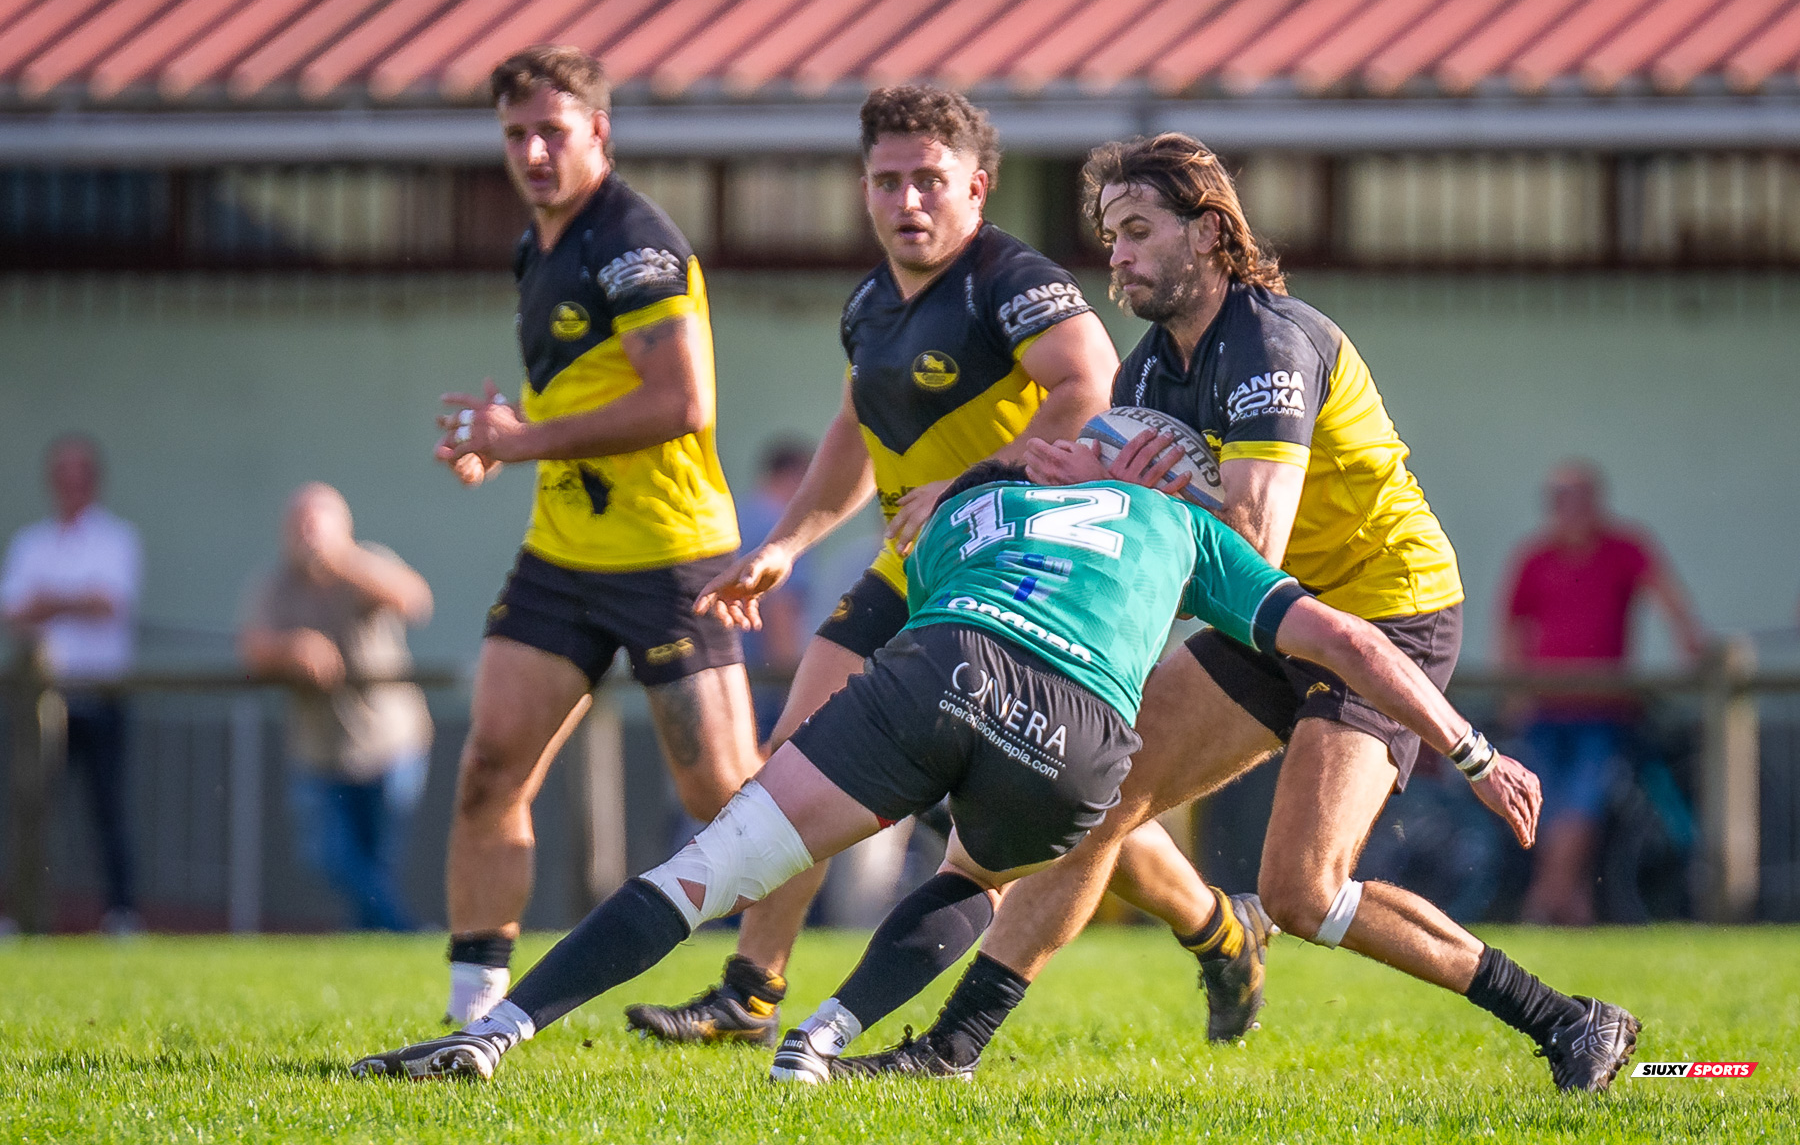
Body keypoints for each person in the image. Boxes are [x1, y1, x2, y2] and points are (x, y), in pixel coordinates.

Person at [842, 133, 1640, 1092]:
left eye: (1139, 231)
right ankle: (951, 1050)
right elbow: (1172, 554)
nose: (1118, 256)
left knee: (1303, 893)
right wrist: (1054, 493)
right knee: (1095, 799)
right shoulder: (1145, 378)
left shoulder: (1272, 344)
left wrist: (1158, 498)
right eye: (1111, 236)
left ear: (1209, 233)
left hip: (1387, 614)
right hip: (1274, 616)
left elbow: (1250, 541)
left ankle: (1569, 1020)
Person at [350, 459, 1540, 1083]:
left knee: (711, 866)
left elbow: (917, 589)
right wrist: (1471, 750)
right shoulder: (1191, 530)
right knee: (972, 875)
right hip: (1079, 731)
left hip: (941, 668)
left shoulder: (971, 507)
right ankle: (822, 1040)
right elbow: (1352, 643)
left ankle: (500, 1030)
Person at [623, 86, 1215, 1047]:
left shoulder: (1008, 281)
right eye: (887, 181)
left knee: (1030, 810)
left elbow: (1090, 381)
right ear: (863, 188)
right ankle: (749, 992)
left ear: (976, 188)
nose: (907, 201)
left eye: (929, 180)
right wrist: (784, 546)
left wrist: (978, 482)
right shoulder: (871, 305)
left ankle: (1214, 926)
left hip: (1006, 577)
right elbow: (854, 432)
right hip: (912, 572)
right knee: (798, 754)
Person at [431, 45, 760, 1022]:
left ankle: (762, 984)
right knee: (490, 769)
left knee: (732, 801)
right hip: (563, 558)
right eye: (515, 135)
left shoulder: (633, 242)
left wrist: (523, 439)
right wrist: (501, 445)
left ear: (599, 133)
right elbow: (583, 392)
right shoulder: (538, 245)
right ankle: (472, 1014)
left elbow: (681, 401)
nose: (533, 152)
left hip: (671, 558)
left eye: (552, 132)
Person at [1501, 459, 1705, 925]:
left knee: (1582, 804)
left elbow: (1667, 595)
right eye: (1560, 501)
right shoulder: (1535, 558)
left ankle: (1541, 902)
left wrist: (1688, 641)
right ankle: (1574, 906)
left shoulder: (1624, 549)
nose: (1569, 510)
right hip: (1545, 708)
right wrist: (1513, 692)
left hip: (1603, 709)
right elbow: (1512, 625)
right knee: (1545, 805)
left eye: (1578, 500)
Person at [239, 484, 435, 931]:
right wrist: (292, 649)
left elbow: (415, 601)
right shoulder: (276, 585)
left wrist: (344, 560)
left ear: (343, 526)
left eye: (316, 523)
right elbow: (251, 648)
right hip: (318, 753)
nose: (307, 535)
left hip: (390, 744)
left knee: (378, 863)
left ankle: (376, 939)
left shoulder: (368, 563)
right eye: (298, 524)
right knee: (329, 857)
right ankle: (403, 932)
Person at [2, 434, 143, 933]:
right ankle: (22, 914)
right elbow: (12, 611)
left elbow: (109, 602)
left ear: (94, 481)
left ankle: (121, 914)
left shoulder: (117, 539)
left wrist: (48, 602)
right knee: (31, 808)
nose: (71, 484)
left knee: (108, 809)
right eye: (63, 474)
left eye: (80, 474)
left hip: (101, 698)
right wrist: (70, 601)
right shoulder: (31, 543)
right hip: (41, 702)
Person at [735, 437, 815, 738]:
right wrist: (790, 691)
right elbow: (781, 610)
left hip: (723, 673)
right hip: (764, 682)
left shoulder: (738, 518)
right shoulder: (784, 532)